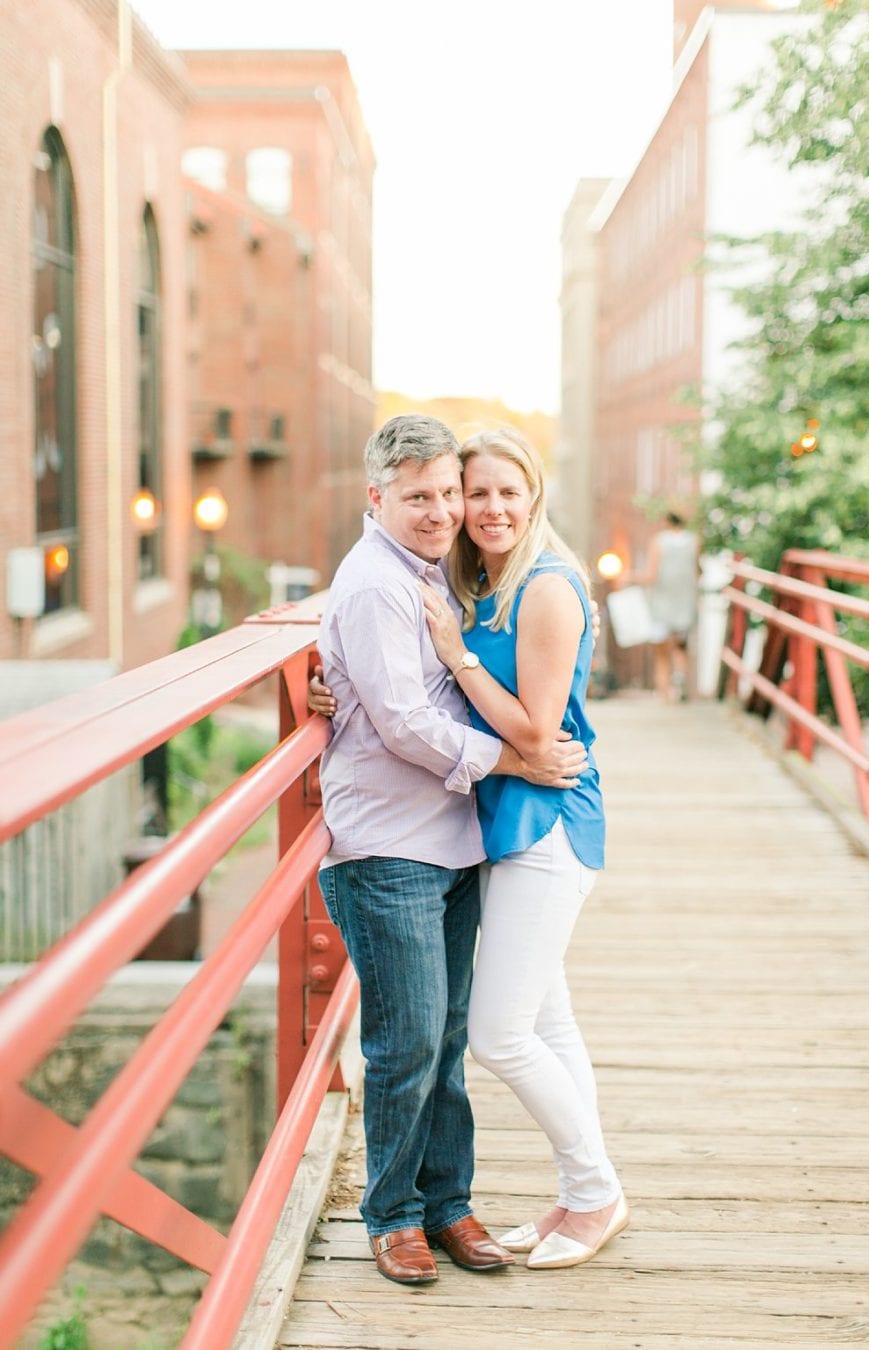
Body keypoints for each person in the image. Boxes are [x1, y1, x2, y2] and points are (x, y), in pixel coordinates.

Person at [315, 426, 630, 1272]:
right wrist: (329, 676)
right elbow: (402, 697)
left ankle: (588, 1192)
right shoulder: (452, 581)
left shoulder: (543, 587)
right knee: (498, 1030)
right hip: (454, 829)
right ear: (376, 497)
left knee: (489, 1035)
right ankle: (432, 1211)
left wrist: (455, 659)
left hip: (538, 823)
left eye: (491, 493)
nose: (468, 509)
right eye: (457, 493)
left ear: (534, 498)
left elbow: (528, 725)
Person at [639, 511, 699, 702]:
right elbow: (697, 571)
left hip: (662, 602)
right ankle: (680, 681)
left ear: (666, 521)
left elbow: (651, 575)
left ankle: (664, 694)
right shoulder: (694, 541)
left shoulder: (659, 542)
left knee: (661, 651)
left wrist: (628, 577)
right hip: (685, 602)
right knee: (681, 647)